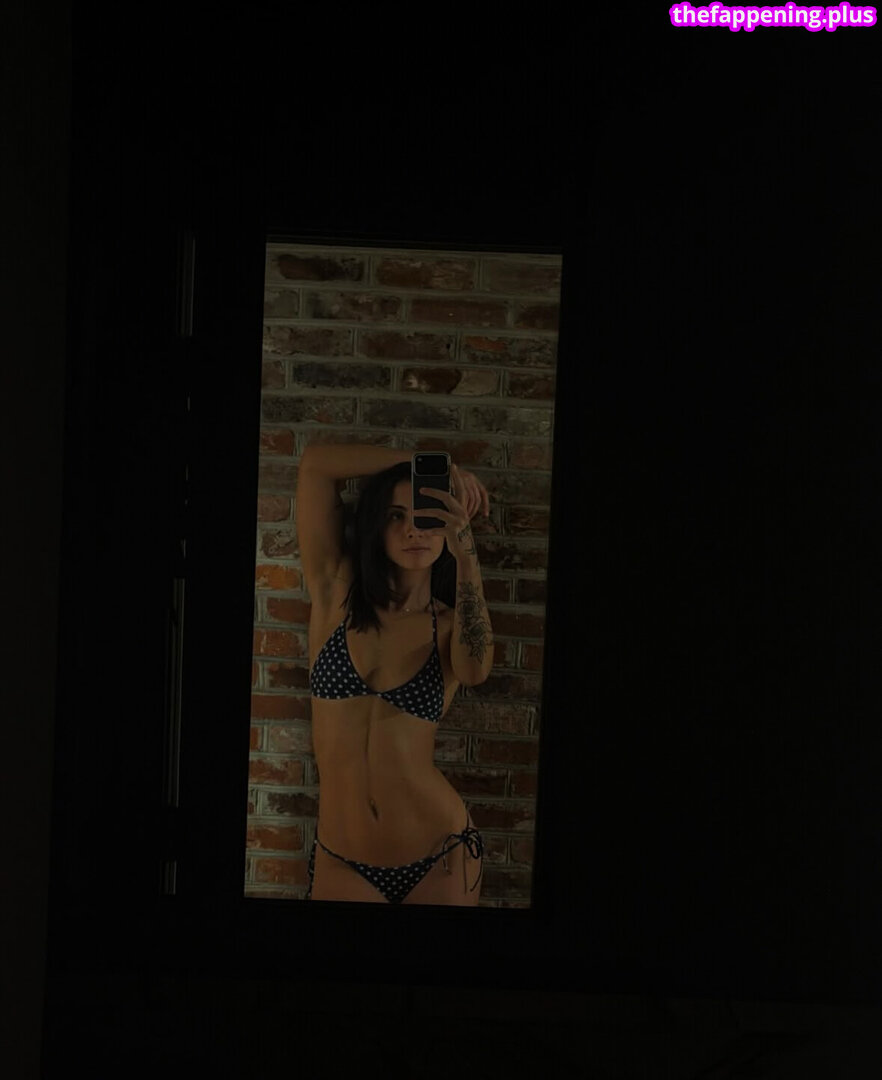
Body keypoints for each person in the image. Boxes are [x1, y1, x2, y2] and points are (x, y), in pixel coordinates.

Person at [297, 443, 494, 904]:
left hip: (440, 856)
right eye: (395, 516)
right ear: (376, 526)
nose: (413, 530)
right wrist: (433, 467)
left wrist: (466, 556)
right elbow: (316, 467)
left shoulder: (451, 625)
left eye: (426, 515)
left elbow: (474, 672)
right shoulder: (335, 591)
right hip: (341, 859)